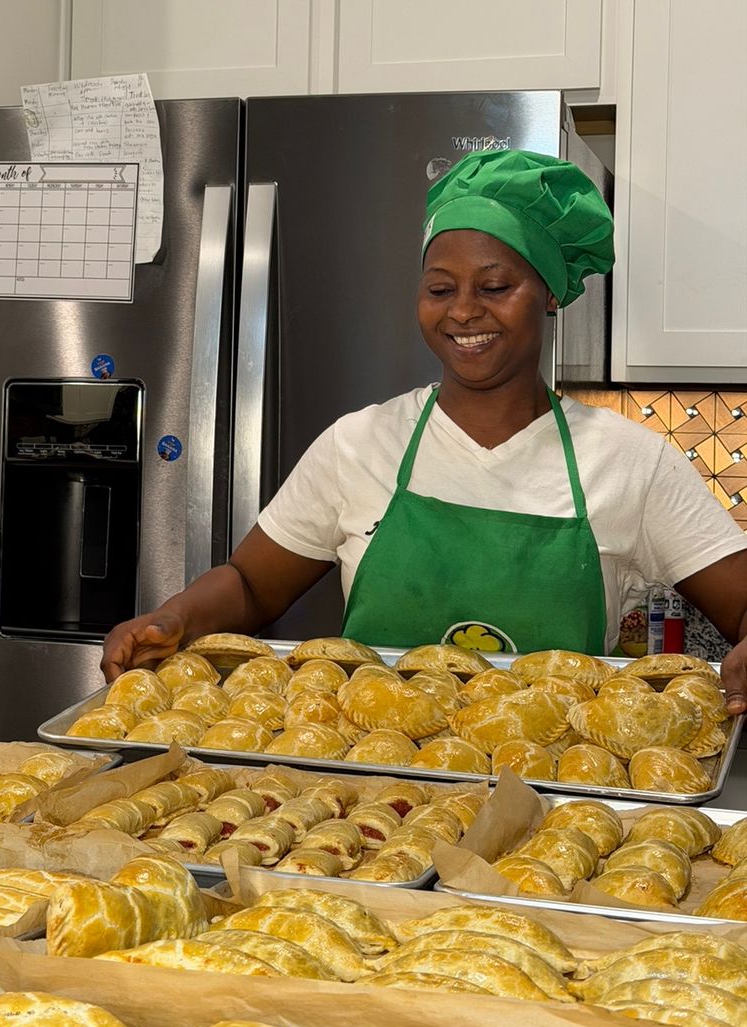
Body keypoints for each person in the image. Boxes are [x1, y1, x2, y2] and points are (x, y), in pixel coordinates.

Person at [101, 149, 747, 713]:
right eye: (440, 288)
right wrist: (173, 617)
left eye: (495, 286)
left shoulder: (629, 461)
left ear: (550, 292)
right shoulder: (358, 445)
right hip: (365, 808)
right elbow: (249, 585)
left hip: (543, 822)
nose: (464, 310)